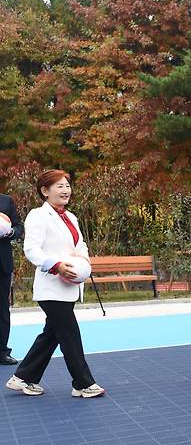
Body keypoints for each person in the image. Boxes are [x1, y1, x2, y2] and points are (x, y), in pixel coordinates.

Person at [5, 170, 105, 397]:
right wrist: (56, 265)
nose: (65, 190)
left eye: (67, 185)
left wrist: (84, 264)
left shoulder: (71, 218)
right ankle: (83, 383)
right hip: (51, 288)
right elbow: (31, 250)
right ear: (44, 191)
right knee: (69, 332)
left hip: (70, 286)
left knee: (52, 333)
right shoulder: (37, 216)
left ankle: (23, 377)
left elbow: (80, 246)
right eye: (59, 186)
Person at [0, 193, 24, 365]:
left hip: (2, 263)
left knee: (2, 309)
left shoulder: (6, 200)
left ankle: (2, 351)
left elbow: (19, 227)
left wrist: (11, 232)